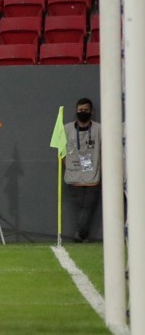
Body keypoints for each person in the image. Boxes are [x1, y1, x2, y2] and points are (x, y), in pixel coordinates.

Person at [63, 97, 102, 243]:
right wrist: (67, 165)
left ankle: (79, 234)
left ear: (91, 111)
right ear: (76, 110)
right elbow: (61, 151)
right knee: (81, 209)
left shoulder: (99, 129)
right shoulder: (67, 129)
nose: (83, 112)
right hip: (74, 176)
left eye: (86, 110)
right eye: (80, 110)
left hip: (93, 176)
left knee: (89, 208)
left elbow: (104, 150)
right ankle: (82, 235)